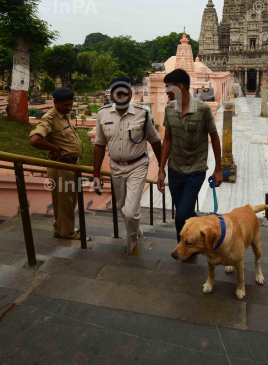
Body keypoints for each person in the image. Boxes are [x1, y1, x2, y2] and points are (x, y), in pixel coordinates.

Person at [93, 77, 162, 255]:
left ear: (131, 93)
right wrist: (95, 174)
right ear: (112, 95)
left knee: (131, 212)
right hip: (116, 167)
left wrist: (161, 169)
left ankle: (132, 245)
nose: (122, 96)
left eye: (126, 92)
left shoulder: (143, 113)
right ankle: (136, 230)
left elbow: (155, 141)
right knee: (121, 206)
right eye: (118, 93)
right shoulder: (103, 114)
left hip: (138, 165)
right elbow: (99, 145)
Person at [157, 69, 223, 242]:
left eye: (168, 87)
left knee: (181, 216)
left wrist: (218, 169)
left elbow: (215, 139)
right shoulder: (170, 109)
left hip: (196, 170)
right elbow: (167, 140)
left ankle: (186, 247)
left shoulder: (202, 110)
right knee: (183, 214)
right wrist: (161, 169)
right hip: (175, 170)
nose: (166, 91)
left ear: (179, 87)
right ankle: (191, 243)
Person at [29, 87, 82, 239]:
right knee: (65, 202)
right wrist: (54, 148)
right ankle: (68, 233)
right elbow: (35, 139)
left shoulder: (64, 115)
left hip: (72, 165)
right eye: (66, 105)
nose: (69, 107)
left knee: (69, 201)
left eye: (71, 104)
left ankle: (60, 229)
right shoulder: (49, 118)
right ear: (55, 102)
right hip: (61, 167)